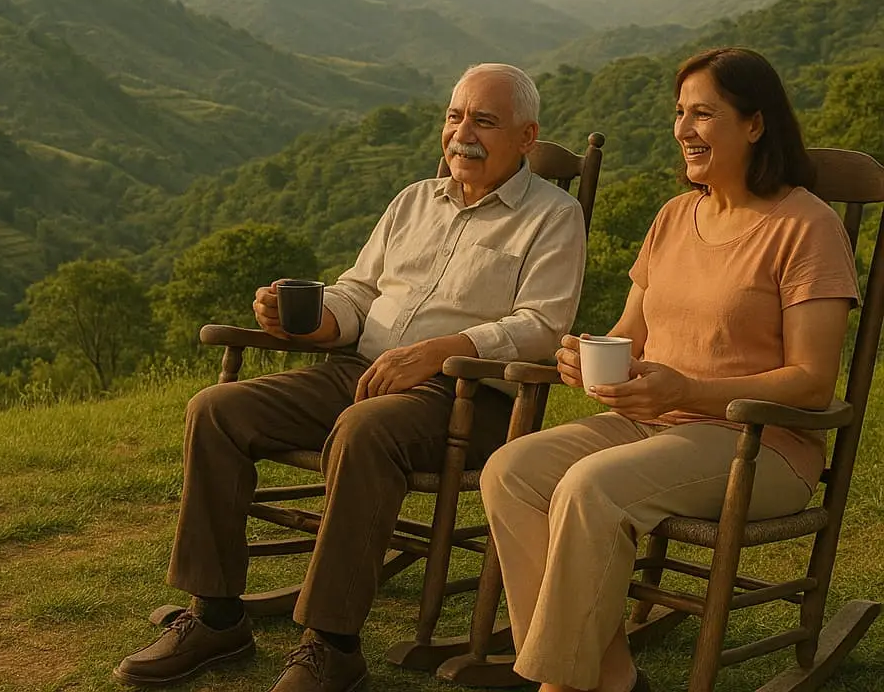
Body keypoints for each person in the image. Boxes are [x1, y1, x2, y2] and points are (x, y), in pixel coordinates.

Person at [114, 62, 588, 691]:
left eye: (484, 121)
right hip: (359, 370)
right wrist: (312, 321)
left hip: (464, 397)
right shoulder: (414, 200)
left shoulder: (553, 216)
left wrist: (439, 351)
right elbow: (359, 293)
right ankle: (216, 617)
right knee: (216, 409)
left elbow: (543, 325)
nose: (462, 134)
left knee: (365, 430)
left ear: (527, 137)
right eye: (454, 117)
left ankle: (332, 645)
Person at [480, 47, 860, 692]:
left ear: (755, 124)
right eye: (679, 113)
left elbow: (813, 381)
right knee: (511, 471)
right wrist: (588, 356)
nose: (683, 128)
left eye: (703, 113)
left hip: (760, 444)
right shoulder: (674, 217)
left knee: (590, 487)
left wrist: (689, 389)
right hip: (657, 426)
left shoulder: (807, 227)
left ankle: (560, 684)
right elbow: (631, 333)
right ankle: (610, 674)